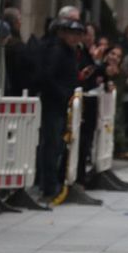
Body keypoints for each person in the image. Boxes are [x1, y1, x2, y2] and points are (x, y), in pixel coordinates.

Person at [35, 16, 85, 198]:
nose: (75, 38)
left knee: (56, 144)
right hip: (53, 104)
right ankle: (48, 185)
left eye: (78, 34)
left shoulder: (69, 51)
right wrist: (62, 93)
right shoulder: (57, 50)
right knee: (51, 144)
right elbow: (48, 76)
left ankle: (51, 182)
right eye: (72, 34)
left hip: (62, 103)